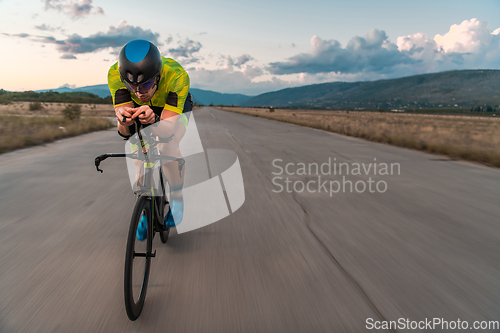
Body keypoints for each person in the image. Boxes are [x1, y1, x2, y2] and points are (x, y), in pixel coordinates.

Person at [107, 39, 192, 240]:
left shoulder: (177, 76)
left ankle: (178, 201)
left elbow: (167, 130)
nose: (138, 92)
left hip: (171, 108)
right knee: (138, 153)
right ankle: (146, 208)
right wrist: (123, 120)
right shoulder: (115, 75)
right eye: (131, 85)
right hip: (142, 110)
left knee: (167, 146)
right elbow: (125, 132)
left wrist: (154, 119)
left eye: (145, 84)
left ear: (158, 76)